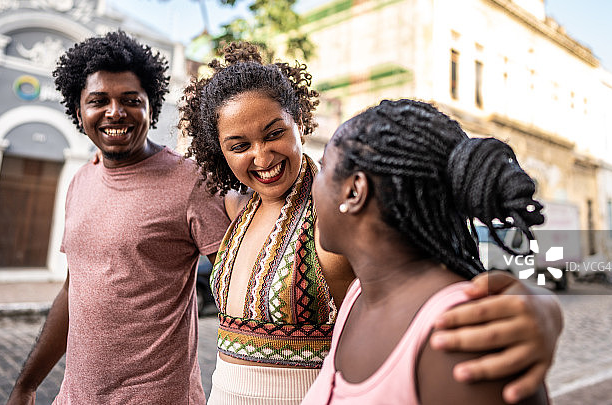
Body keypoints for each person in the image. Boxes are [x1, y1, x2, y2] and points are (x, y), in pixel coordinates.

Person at [180, 41, 562, 405]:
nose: (261, 155)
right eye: (239, 145)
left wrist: (538, 306)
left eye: (275, 133)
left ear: (299, 124)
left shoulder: (339, 223)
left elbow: (420, 285)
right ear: (220, 150)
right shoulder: (235, 208)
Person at [7, 31, 231, 405]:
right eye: (99, 101)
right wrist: (26, 385)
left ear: (151, 107)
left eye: (130, 100)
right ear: (79, 111)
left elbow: (239, 289)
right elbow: (72, 290)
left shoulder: (191, 182)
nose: (114, 111)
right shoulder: (80, 181)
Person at [301, 98, 551, 404]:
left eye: (324, 167)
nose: (314, 184)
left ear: (354, 191)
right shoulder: (357, 296)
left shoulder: (461, 335)